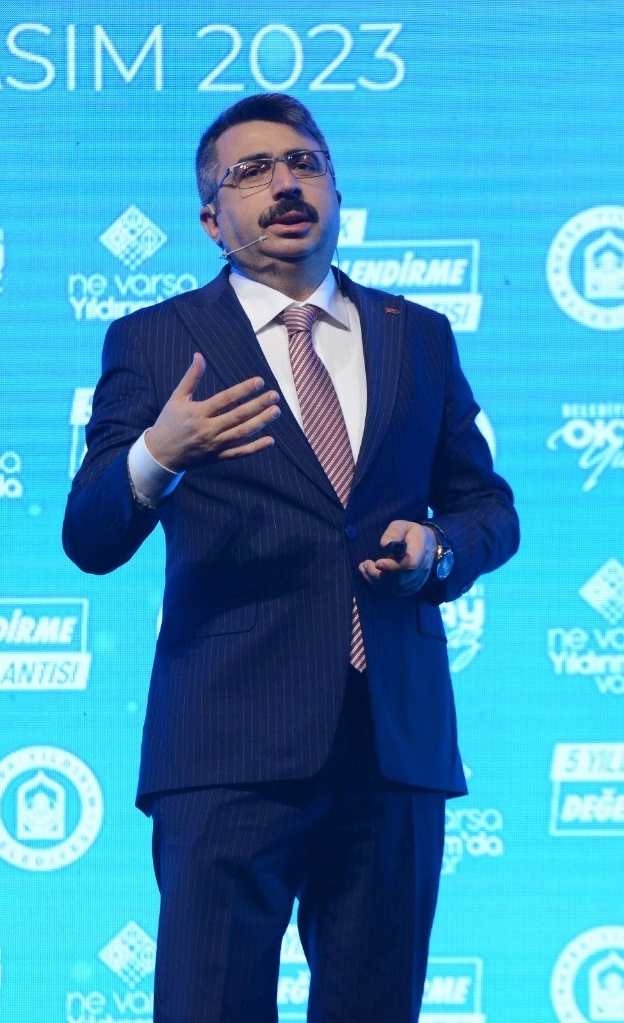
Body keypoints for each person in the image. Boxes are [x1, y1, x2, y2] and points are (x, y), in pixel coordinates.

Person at [62, 92, 519, 1022]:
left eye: (303, 164)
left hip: (392, 744)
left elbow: (487, 508)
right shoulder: (155, 341)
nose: (284, 185)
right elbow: (90, 536)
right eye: (251, 172)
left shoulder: (416, 334)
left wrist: (440, 549)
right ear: (211, 220)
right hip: (226, 746)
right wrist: (158, 454)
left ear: (336, 194)